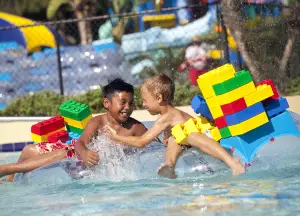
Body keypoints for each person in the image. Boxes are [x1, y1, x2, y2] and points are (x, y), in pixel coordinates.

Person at [0, 79, 148, 182]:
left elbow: (153, 143)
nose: (127, 107)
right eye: (123, 102)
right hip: (78, 157)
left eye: (131, 103)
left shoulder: (135, 127)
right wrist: (84, 153)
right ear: (106, 103)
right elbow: (80, 143)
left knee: (62, 154)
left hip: (83, 167)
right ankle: (11, 176)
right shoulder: (98, 122)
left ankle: (8, 169)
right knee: (28, 150)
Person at [105, 74, 246, 179]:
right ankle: (170, 165)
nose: (143, 104)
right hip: (192, 141)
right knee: (175, 138)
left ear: (159, 98)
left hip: (209, 137)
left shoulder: (168, 117)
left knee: (189, 136)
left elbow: (142, 142)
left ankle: (233, 163)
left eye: (145, 100)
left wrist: (116, 138)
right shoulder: (169, 119)